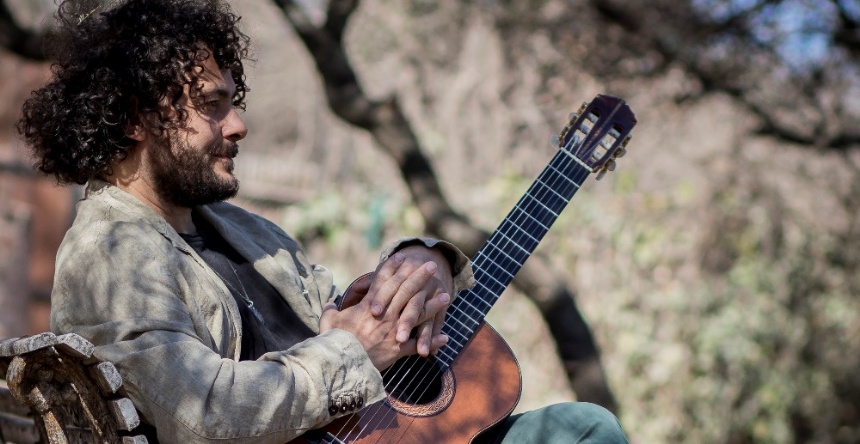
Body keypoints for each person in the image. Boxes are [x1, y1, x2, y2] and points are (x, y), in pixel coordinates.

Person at [17, 0, 628, 442]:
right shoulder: (109, 251)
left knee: (583, 429)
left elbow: (347, 312)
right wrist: (350, 349)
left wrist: (424, 263)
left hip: (380, 431)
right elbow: (197, 410)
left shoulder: (247, 232)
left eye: (235, 101)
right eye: (211, 106)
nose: (238, 125)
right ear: (132, 119)